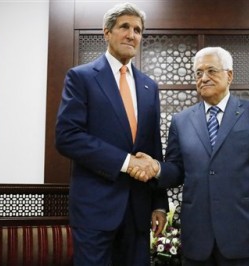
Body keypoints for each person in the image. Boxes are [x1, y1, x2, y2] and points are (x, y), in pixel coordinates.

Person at [130, 47, 249, 265]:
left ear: (229, 75)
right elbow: (176, 171)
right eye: (198, 73)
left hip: (246, 235)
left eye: (211, 71)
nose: (203, 78)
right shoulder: (181, 121)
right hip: (197, 237)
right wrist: (157, 168)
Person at [55, 2, 168, 265]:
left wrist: (159, 204)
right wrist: (127, 163)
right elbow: (67, 136)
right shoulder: (81, 77)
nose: (132, 34)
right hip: (96, 211)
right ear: (106, 32)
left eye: (138, 30)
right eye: (124, 27)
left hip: (138, 212)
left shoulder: (149, 86)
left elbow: (154, 149)